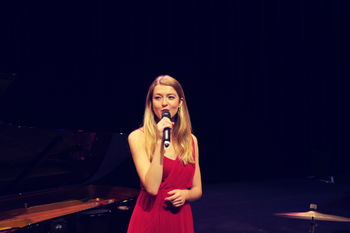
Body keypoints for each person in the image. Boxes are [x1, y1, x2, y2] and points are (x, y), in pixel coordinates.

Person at [127, 75, 202, 233]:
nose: (164, 103)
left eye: (170, 97)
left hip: (180, 218)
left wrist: (186, 194)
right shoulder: (138, 137)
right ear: (151, 103)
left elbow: (197, 190)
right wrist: (160, 142)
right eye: (157, 97)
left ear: (180, 103)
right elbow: (152, 188)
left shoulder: (191, 140)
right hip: (151, 217)